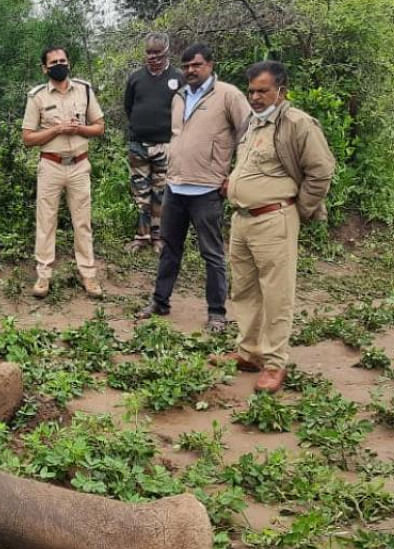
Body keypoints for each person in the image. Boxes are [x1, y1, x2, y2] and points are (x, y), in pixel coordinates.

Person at [219, 60, 335, 393]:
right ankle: (249, 352)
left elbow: (321, 171)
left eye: (262, 90)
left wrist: (299, 208)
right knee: (244, 289)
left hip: (275, 218)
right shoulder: (252, 124)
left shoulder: (297, 123)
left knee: (276, 294)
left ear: (281, 90)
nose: (255, 97)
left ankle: (274, 363)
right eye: (251, 90)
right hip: (243, 220)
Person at [135, 43, 250, 332]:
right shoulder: (180, 97)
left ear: (210, 64)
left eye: (196, 65)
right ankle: (160, 301)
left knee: (211, 253)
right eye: (186, 66)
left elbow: (249, 133)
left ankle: (216, 313)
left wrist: (234, 176)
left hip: (207, 189)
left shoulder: (228, 95)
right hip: (176, 186)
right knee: (169, 249)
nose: (190, 70)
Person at [21, 46, 105, 299]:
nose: (60, 64)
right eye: (54, 62)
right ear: (44, 68)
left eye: (63, 60)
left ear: (69, 63)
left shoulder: (84, 90)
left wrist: (79, 129)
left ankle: (88, 275)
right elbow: (27, 138)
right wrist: (56, 130)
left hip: (79, 165)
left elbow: (99, 127)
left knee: (83, 222)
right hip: (51, 165)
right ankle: (43, 276)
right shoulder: (37, 96)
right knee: (46, 222)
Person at [122, 32, 182, 253]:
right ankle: (141, 236)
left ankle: (158, 237)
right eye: (149, 52)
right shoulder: (136, 78)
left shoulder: (178, 77)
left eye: (157, 52)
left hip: (166, 145)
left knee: (161, 192)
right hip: (138, 144)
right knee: (141, 193)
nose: (153, 57)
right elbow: (128, 107)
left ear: (166, 51)